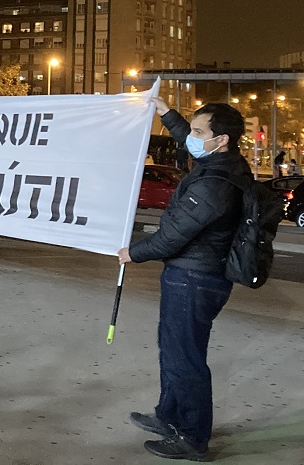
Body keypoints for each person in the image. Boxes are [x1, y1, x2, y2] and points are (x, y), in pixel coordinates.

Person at [118, 98, 249, 462]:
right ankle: (169, 416)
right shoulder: (222, 162)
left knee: (184, 358)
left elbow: (174, 235)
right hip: (191, 272)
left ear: (221, 139)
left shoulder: (215, 184)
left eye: (198, 132)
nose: (190, 138)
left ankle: (192, 437)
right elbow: (187, 141)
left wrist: (134, 252)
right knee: (173, 349)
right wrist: (167, 114)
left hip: (195, 277)